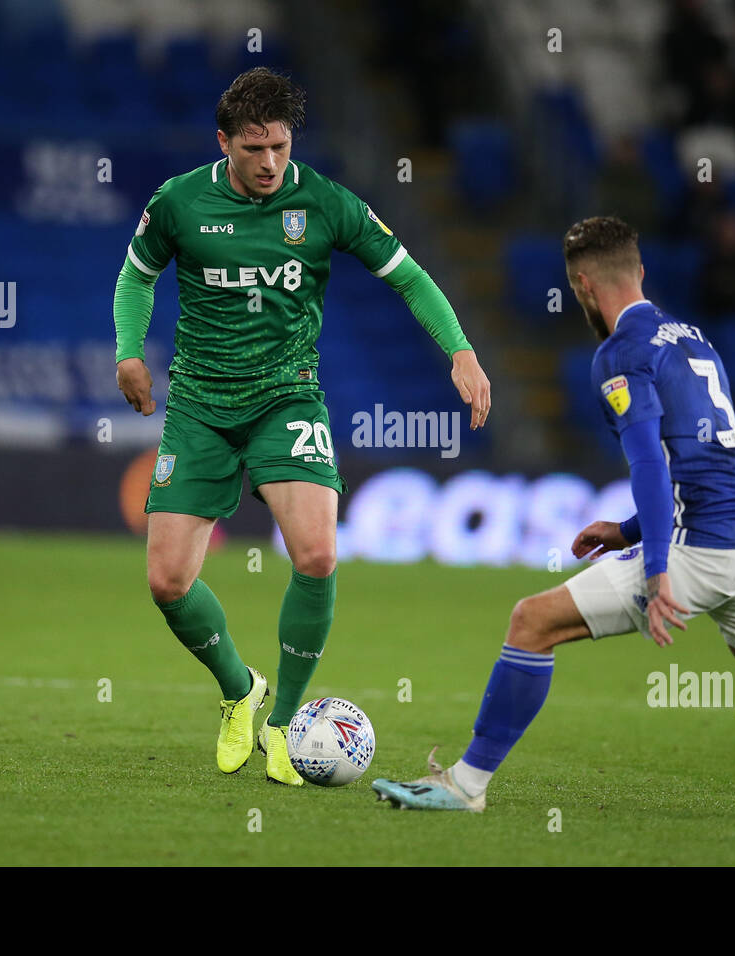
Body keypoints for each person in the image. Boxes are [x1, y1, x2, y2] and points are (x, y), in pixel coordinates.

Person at [372, 217, 735, 824]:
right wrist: (628, 532)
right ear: (639, 273)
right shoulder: (692, 337)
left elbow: (649, 463)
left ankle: (465, 784)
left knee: (531, 622)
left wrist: (659, 566)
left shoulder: (619, 354)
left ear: (583, 288)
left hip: (705, 547)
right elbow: (701, 459)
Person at [112, 68, 491, 785]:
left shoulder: (325, 203)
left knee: (316, 555)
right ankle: (238, 689)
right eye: (253, 148)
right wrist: (130, 352)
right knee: (167, 582)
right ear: (223, 142)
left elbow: (408, 275)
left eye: (280, 146)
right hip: (198, 406)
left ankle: (283, 725)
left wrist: (461, 350)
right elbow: (137, 277)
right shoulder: (179, 201)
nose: (269, 163)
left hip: (287, 399)